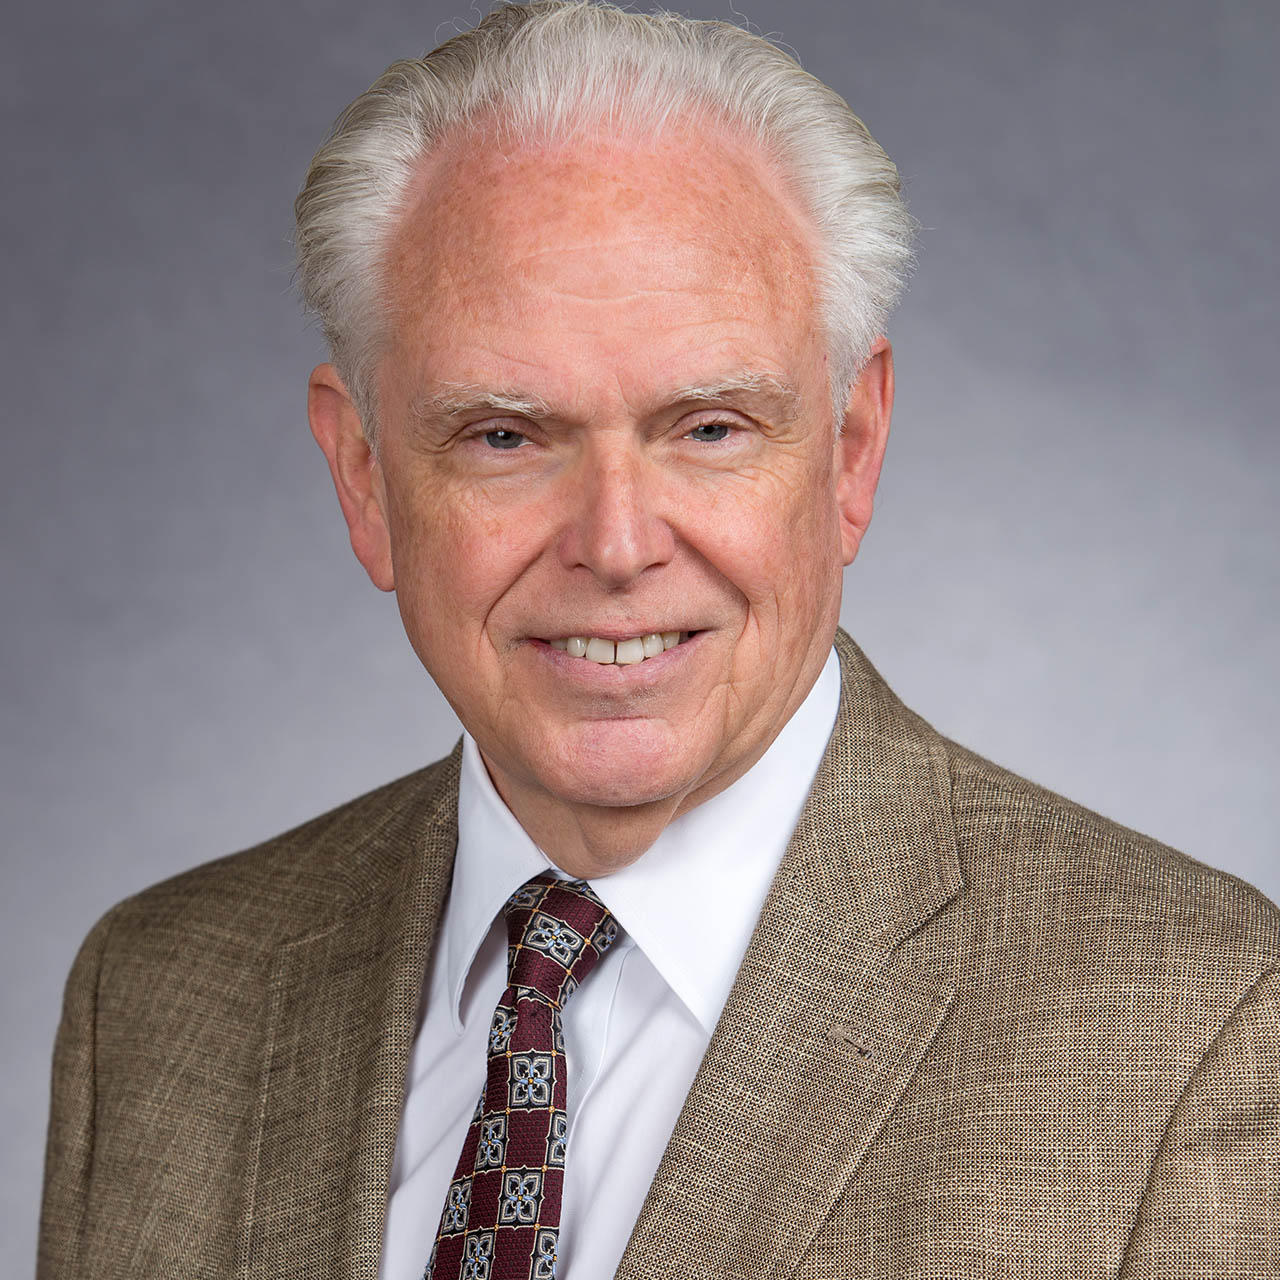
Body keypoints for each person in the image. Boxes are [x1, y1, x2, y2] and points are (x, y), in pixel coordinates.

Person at [38, 2, 1279, 1277]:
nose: (617, 543)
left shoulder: (1197, 1026)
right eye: (505, 437)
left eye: (708, 427)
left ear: (849, 453)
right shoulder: (156, 996)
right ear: (363, 477)